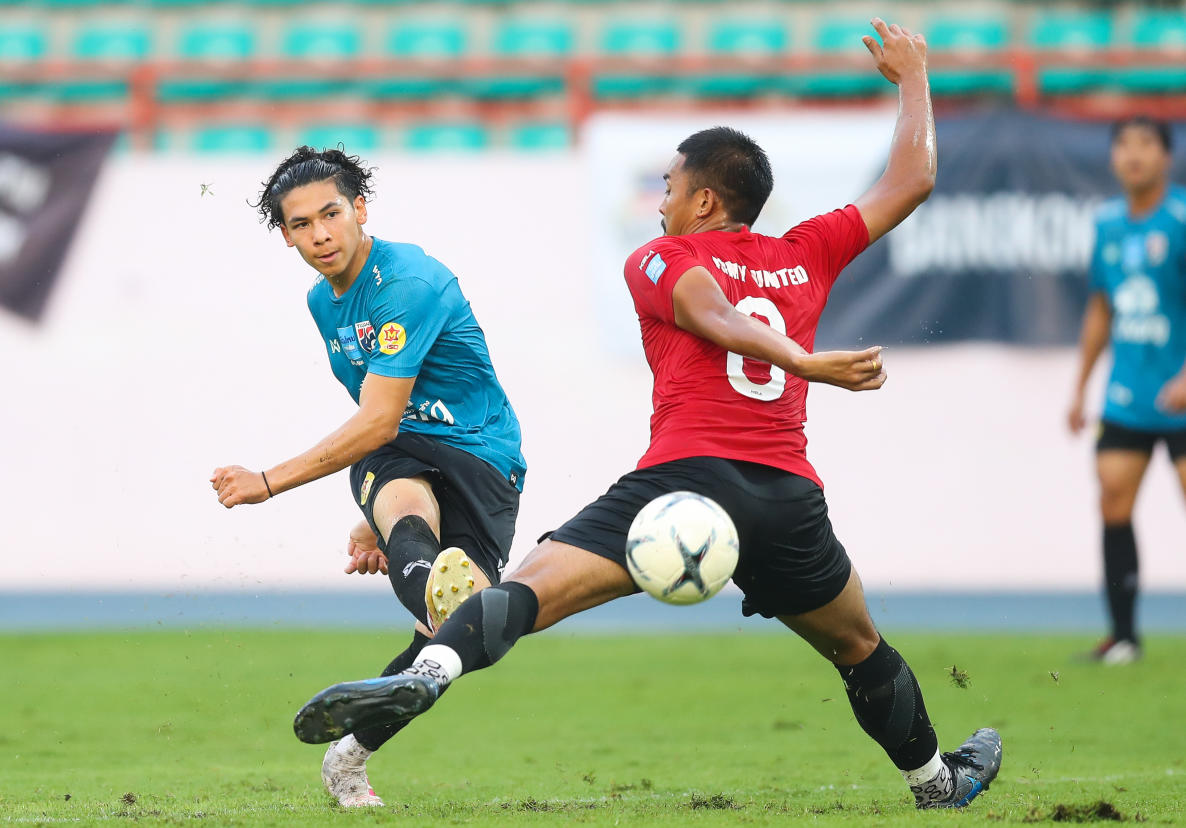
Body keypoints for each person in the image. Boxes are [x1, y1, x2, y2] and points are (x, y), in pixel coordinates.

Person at [293, 20, 1003, 810]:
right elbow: (912, 179)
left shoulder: (663, 257)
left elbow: (707, 311)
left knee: (525, 592)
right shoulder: (809, 250)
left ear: (704, 198)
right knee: (859, 645)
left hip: (682, 484)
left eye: (667, 187)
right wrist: (915, 78)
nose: (658, 201)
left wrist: (797, 359)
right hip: (786, 499)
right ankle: (937, 781)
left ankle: (428, 675)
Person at [209, 146, 530, 807]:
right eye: (300, 225)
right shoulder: (322, 302)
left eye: (330, 214)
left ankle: (348, 755)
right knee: (415, 530)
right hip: (402, 454)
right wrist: (374, 511)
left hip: (481, 455)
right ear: (286, 235)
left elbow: (378, 419)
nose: (320, 235)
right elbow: (384, 424)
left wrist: (266, 481)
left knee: (444, 640)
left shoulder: (406, 283)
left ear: (360, 209)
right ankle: (448, 617)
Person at [1067, 115, 1186, 665]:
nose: (1133, 155)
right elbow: (1100, 307)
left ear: (1167, 157)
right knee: (1112, 500)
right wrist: (1080, 386)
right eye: (1123, 145)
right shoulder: (1109, 224)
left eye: (1146, 144)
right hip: (1127, 396)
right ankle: (1124, 636)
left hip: (1181, 394)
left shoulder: (1182, 219)